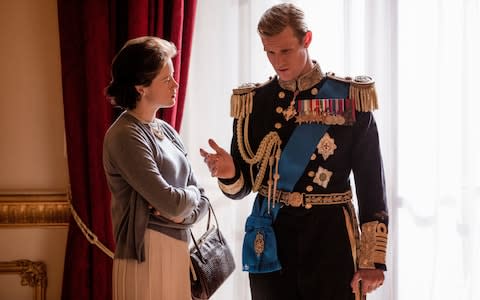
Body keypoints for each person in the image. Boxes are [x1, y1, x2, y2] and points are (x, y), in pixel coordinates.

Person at [200, 3, 388, 300]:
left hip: (330, 238)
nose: (277, 61)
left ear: (307, 39)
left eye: (285, 51)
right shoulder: (255, 102)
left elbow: (371, 183)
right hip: (272, 236)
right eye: (269, 52)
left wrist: (372, 261)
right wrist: (229, 173)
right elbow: (243, 187)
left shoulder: (350, 99)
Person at [103, 36, 209, 300]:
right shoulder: (125, 135)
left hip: (176, 248)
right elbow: (173, 202)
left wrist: (185, 208)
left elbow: (200, 198)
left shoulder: (165, 130)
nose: (176, 84)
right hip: (147, 253)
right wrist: (189, 200)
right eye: (166, 78)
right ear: (141, 87)